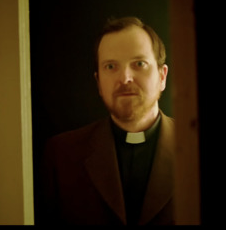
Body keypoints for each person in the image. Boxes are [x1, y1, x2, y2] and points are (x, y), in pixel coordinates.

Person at [40, 17, 177, 225]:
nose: (125, 78)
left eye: (139, 64)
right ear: (98, 82)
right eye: (111, 66)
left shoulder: (197, 147)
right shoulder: (61, 156)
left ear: (162, 76)